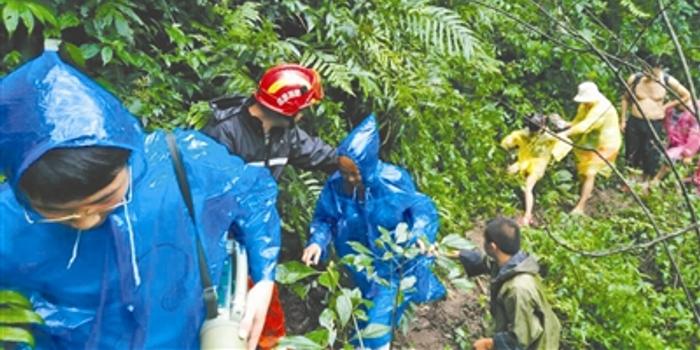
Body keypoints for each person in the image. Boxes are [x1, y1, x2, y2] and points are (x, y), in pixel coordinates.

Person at [0, 45, 280, 349]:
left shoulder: (185, 164)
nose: (86, 221)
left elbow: (254, 195)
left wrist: (264, 280)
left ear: (127, 156)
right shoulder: (10, 226)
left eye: (105, 198)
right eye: (61, 212)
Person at [301, 115, 445, 349]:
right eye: (344, 172)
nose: (348, 178)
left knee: (375, 329)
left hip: (394, 265)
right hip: (358, 265)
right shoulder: (336, 185)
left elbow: (422, 210)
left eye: (354, 173)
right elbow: (325, 217)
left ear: (367, 165)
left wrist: (420, 234)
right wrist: (317, 241)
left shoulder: (393, 180)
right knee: (368, 313)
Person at [203, 63, 337, 180]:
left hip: (262, 207)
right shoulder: (224, 132)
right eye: (301, 110)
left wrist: (349, 160)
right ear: (287, 109)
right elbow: (214, 189)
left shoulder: (284, 132)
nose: (302, 115)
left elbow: (318, 154)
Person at [458, 218, 560, 350]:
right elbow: (489, 263)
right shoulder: (515, 261)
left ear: (493, 247)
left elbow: (521, 339)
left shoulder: (517, 289)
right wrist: (460, 255)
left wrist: (490, 344)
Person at [620, 59, 691, 181]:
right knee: (632, 150)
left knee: (650, 152)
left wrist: (667, 106)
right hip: (635, 120)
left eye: (653, 72)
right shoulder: (636, 79)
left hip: (654, 122)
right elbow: (625, 98)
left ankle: (645, 180)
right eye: (647, 72)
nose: (650, 75)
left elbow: (686, 95)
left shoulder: (667, 80)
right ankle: (630, 180)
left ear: (659, 69)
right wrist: (622, 120)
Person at [558, 81, 622, 214]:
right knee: (582, 168)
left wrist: (565, 133)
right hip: (591, 141)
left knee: (590, 172)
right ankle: (587, 192)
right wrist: (564, 124)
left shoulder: (602, 108)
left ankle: (581, 207)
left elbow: (585, 126)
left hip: (607, 144)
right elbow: (578, 122)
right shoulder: (584, 106)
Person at [501, 113, 572, 226]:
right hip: (524, 161)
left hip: (538, 164)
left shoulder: (550, 137)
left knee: (528, 186)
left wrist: (564, 125)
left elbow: (566, 137)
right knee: (508, 173)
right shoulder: (524, 134)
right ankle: (509, 203)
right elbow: (509, 141)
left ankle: (527, 215)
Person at [652, 103, 700, 184]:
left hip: (690, 144)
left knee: (671, 157)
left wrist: (688, 154)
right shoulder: (672, 111)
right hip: (680, 141)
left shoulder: (695, 110)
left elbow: (696, 133)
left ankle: (657, 179)